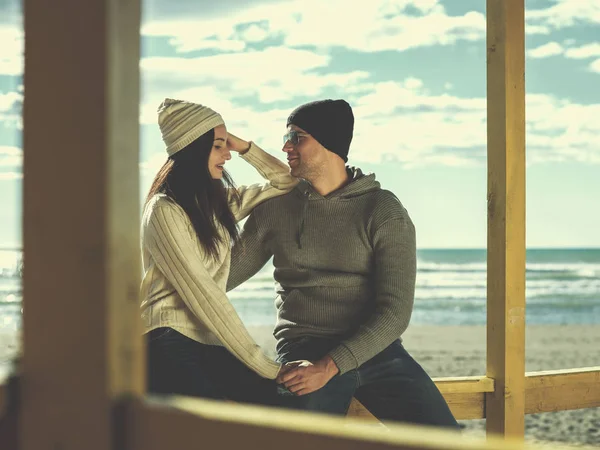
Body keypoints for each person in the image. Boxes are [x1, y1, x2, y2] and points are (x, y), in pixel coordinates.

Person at [227, 99, 459, 428]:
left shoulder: (383, 210)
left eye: (297, 137)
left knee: (445, 439)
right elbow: (222, 275)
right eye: (287, 137)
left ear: (329, 142)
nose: (286, 146)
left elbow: (394, 313)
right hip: (303, 348)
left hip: (376, 350)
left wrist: (331, 365)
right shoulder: (276, 208)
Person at [140, 98, 300, 405]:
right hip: (165, 339)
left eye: (226, 146)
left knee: (275, 404)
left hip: (204, 338)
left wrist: (244, 146)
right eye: (218, 146)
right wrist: (265, 365)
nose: (227, 155)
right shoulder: (164, 211)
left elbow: (287, 182)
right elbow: (205, 296)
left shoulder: (214, 205)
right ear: (192, 148)